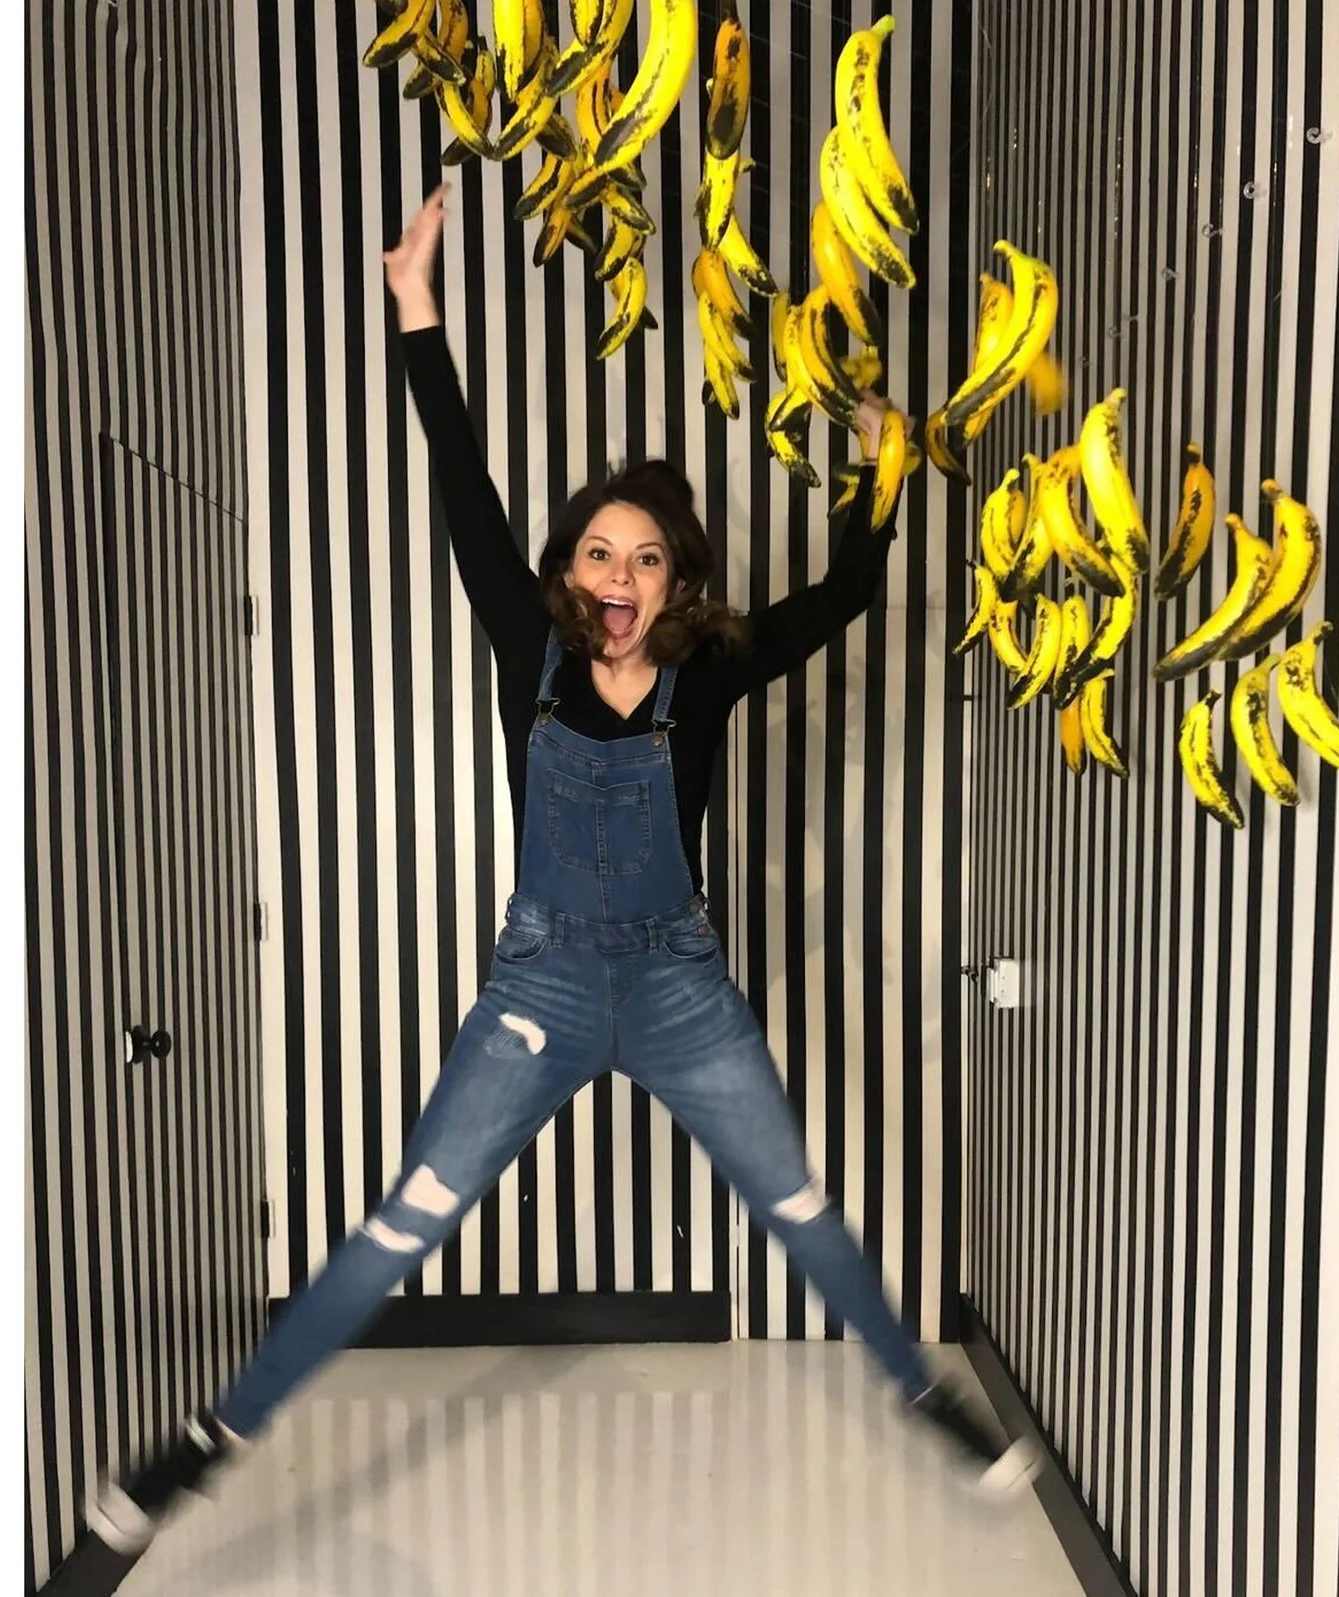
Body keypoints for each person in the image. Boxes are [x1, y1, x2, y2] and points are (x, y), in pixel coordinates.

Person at [80, 181, 1038, 1568]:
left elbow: (841, 601)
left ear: (676, 581)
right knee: (403, 1223)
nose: (621, 575)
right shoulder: (525, 651)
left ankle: (921, 1396)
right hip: (539, 996)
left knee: (800, 1207)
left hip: (682, 995)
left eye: (647, 558)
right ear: (569, 570)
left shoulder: (710, 671)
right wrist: (414, 304)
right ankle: (205, 1446)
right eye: (600, 552)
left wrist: (882, 474)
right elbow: (462, 476)